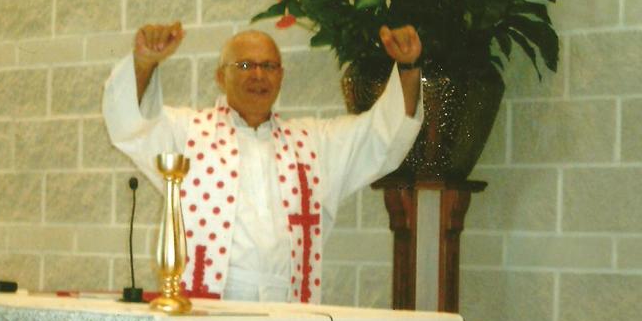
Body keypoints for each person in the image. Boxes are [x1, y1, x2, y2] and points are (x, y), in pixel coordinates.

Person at [103, 21, 424, 303]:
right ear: (220, 76)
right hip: (211, 306)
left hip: (288, 307)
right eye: (244, 65)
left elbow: (382, 134)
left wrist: (408, 68)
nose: (258, 75)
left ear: (281, 76)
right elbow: (134, 125)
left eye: (269, 66)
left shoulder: (313, 144)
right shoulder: (187, 134)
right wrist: (144, 62)